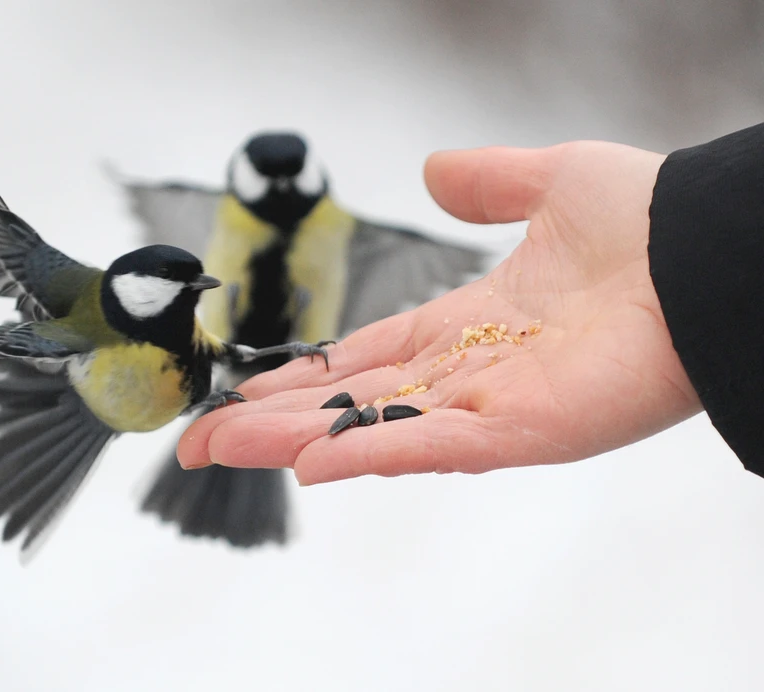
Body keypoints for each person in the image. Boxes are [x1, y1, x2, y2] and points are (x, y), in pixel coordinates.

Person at [175, 125, 764, 485]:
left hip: (306, 345)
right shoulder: (214, 209)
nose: (280, 187)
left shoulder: (343, 227)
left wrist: (683, 251)